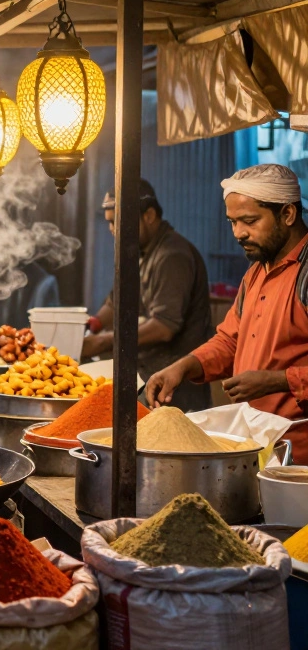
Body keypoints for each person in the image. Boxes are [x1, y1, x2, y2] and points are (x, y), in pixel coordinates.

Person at [147, 164, 308, 460]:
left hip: (297, 458)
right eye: (232, 222)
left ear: (287, 214)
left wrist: (278, 381)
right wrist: (183, 366)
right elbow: (230, 341)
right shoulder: (255, 273)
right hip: (252, 449)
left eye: (249, 221)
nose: (238, 233)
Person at [84, 180, 213, 410]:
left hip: (175, 390)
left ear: (150, 215)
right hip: (146, 379)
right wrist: (92, 325)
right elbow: (115, 304)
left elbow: (165, 327)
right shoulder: (136, 252)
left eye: (117, 221)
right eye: (109, 222)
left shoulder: (172, 256)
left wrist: (102, 342)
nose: (112, 229)